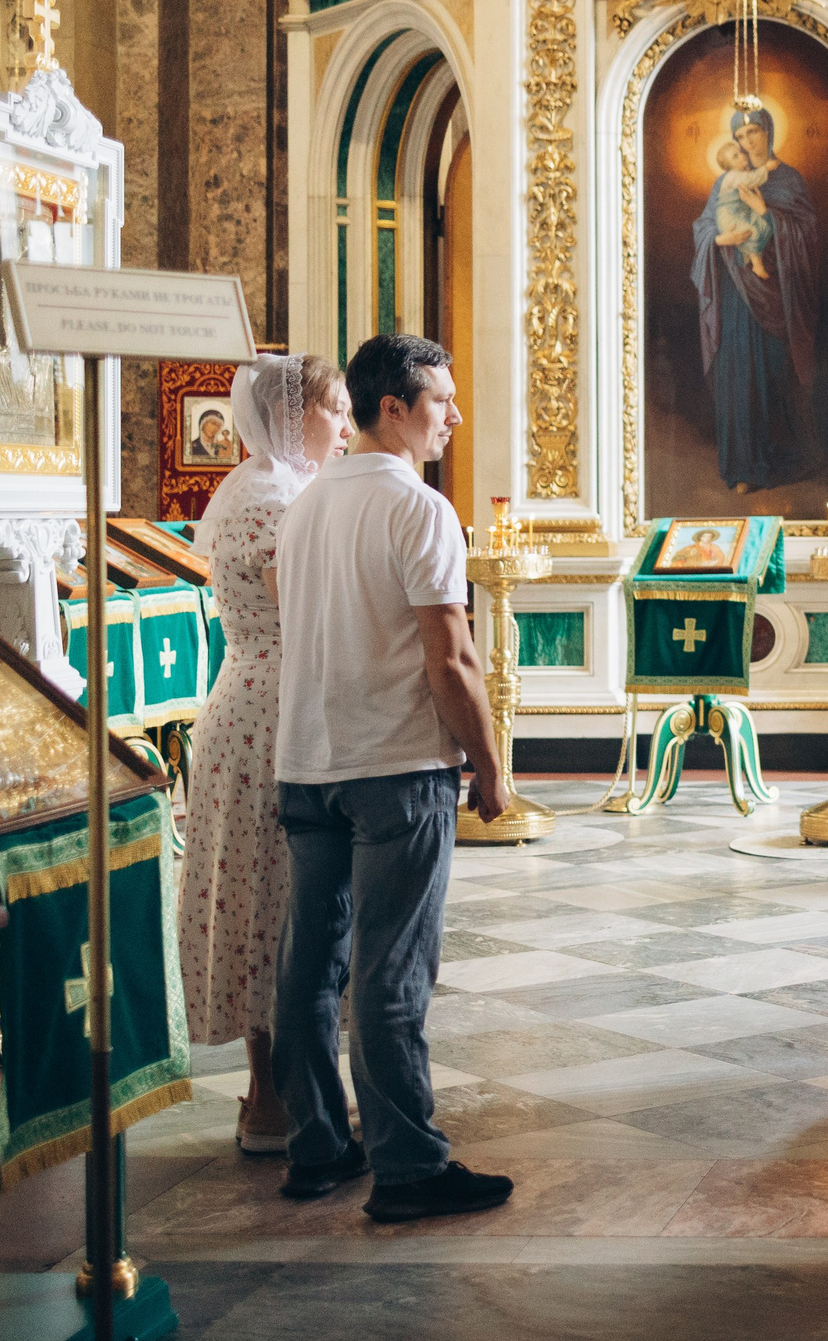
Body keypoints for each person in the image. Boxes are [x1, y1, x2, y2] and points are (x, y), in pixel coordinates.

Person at [273, 334, 513, 1222]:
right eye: (439, 402)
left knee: (310, 964)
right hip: (394, 766)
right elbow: (449, 659)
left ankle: (317, 1148)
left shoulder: (305, 505)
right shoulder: (418, 511)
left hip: (308, 764)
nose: (452, 417)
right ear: (393, 409)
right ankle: (408, 1166)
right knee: (391, 971)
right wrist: (488, 767)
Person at [180, 354, 351, 1157]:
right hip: (269, 714)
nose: (345, 427)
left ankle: (272, 1097)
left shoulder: (262, 487)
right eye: (336, 411)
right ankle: (277, 1099)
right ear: (295, 417)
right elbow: (308, 606)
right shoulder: (277, 495)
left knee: (267, 894)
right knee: (272, 900)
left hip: (254, 704)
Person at [693, 104, 820, 491]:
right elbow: (704, 224)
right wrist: (719, 239)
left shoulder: (789, 180)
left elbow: (807, 235)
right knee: (737, 374)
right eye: (740, 137)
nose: (748, 142)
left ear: (768, 132)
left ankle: (774, 463)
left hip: (777, 297)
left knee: (771, 373)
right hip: (734, 292)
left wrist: (765, 212)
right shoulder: (725, 181)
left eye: (754, 133)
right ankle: (743, 468)